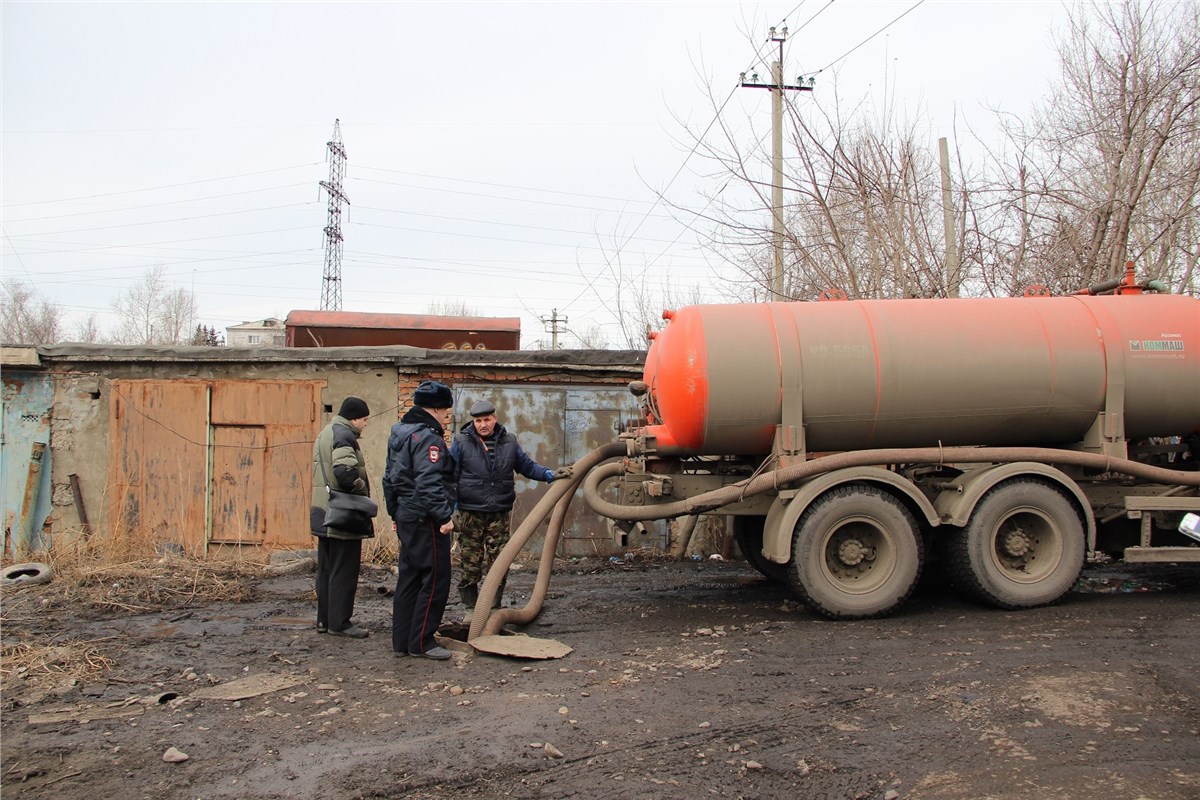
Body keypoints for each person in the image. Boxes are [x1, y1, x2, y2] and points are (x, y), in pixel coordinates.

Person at [450, 399, 570, 610]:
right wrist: (448, 509)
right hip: (470, 513)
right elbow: (450, 476)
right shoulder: (461, 442)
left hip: (499, 512)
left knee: (500, 561)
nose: (482, 424)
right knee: (470, 562)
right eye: (478, 420)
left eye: (487, 419)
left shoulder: (509, 441)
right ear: (473, 422)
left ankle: (493, 607)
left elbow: (527, 466)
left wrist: (550, 474)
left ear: (495, 418)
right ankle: (471, 608)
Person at [383, 381, 458, 660]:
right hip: (427, 519)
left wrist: (394, 513)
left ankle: (402, 642)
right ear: (437, 408)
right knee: (435, 578)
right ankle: (423, 642)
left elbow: (388, 478)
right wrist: (444, 516)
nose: (445, 417)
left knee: (409, 579)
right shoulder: (428, 438)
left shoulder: (399, 435)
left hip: (406, 515)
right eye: (445, 412)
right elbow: (428, 482)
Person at [310, 396, 375, 639]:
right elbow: (344, 472)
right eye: (365, 419)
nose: (365, 424)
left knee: (326, 569)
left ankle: (324, 621)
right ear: (354, 418)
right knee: (344, 570)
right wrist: (362, 492)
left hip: (323, 512)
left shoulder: (326, 432)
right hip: (342, 515)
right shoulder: (344, 435)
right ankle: (340, 623)